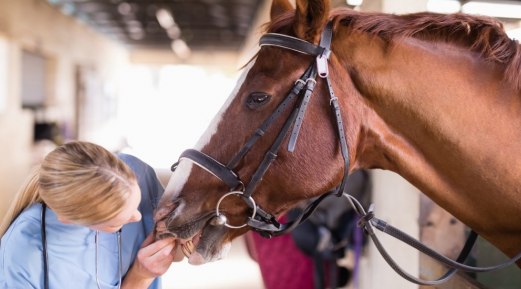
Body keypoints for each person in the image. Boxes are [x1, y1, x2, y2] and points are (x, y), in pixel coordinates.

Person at [0, 141, 181, 289]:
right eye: (115, 223)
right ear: (68, 219)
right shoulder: (22, 255)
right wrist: (140, 277)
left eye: (137, 202)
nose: (138, 217)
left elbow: (180, 249)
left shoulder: (137, 171)